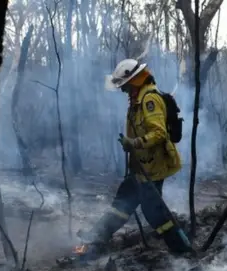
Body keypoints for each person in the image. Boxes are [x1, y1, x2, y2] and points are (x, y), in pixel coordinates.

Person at [77, 58, 193, 255]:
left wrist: (135, 143)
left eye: (125, 85)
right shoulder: (138, 98)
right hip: (141, 166)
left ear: (135, 80)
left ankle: (182, 251)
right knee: (123, 202)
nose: (123, 90)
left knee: (155, 213)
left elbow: (159, 133)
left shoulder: (149, 100)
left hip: (152, 168)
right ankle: (96, 236)